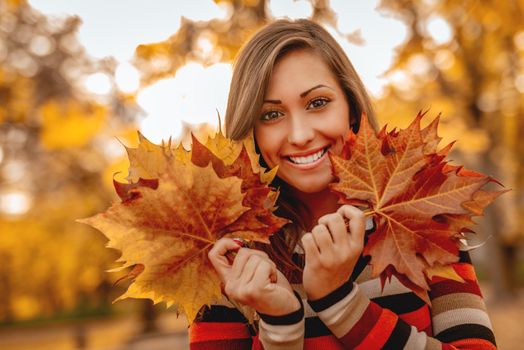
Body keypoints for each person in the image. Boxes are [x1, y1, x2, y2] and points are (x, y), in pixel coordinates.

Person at [189, 18, 497, 349]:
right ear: (252, 129)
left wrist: (339, 301)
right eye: (271, 115)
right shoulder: (226, 254)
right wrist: (280, 325)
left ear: (351, 107)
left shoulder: (420, 218)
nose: (300, 135)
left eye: (317, 103)